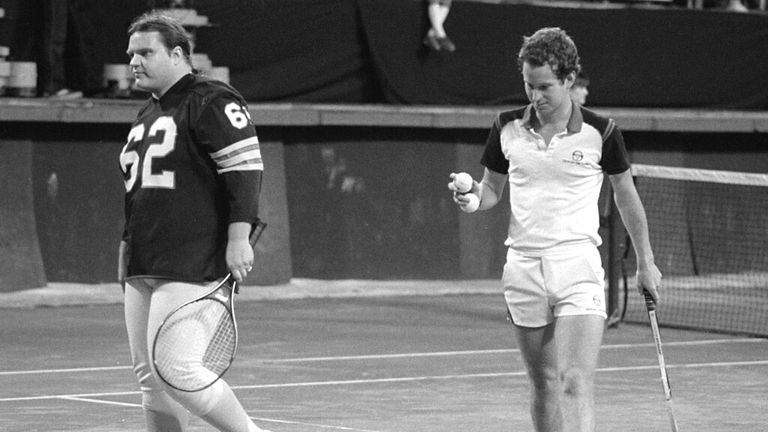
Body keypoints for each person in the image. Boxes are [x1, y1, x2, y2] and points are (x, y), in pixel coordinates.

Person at [448, 27, 661, 432]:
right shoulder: (506, 127)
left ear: (568, 79)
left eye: (545, 86)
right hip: (524, 269)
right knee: (543, 384)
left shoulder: (602, 132)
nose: (535, 96)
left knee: (575, 380)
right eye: (529, 86)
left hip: (577, 266)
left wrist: (646, 262)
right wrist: (472, 198)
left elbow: (626, 196)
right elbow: (491, 189)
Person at [118, 11, 270, 432]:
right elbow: (141, 191)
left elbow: (245, 170)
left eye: (146, 52)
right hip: (146, 257)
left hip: (192, 256)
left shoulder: (211, 98)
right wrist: (126, 248)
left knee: (177, 368)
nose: (134, 61)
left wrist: (239, 238)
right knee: (151, 377)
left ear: (178, 53)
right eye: (131, 54)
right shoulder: (148, 112)